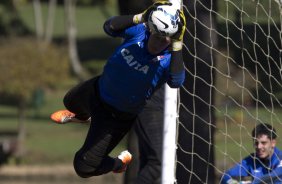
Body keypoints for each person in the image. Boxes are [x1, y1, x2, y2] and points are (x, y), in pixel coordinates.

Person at [50, 1, 186, 178]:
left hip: (115, 117)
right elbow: (109, 27)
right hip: (97, 90)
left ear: (172, 41)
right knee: (69, 101)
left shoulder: (168, 59)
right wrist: (141, 17)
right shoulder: (139, 32)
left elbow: (176, 82)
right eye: (157, 36)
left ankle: (119, 163)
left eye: (164, 39)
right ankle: (83, 116)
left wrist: (177, 44)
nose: (158, 42)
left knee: (84, 167)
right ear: (151, 29)